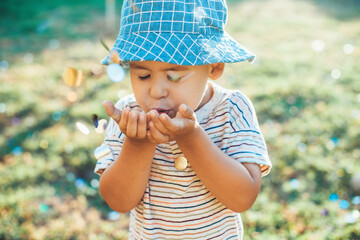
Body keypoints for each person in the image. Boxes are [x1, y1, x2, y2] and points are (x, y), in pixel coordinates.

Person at [94, 0, 272, 239]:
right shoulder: (130, 116)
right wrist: (137, 145)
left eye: (173, 76)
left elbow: (243, 197)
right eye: (143, 75)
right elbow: (119, 201)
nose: (157, 91)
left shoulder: (232, 109)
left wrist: (191, 136)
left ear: (214, 66)